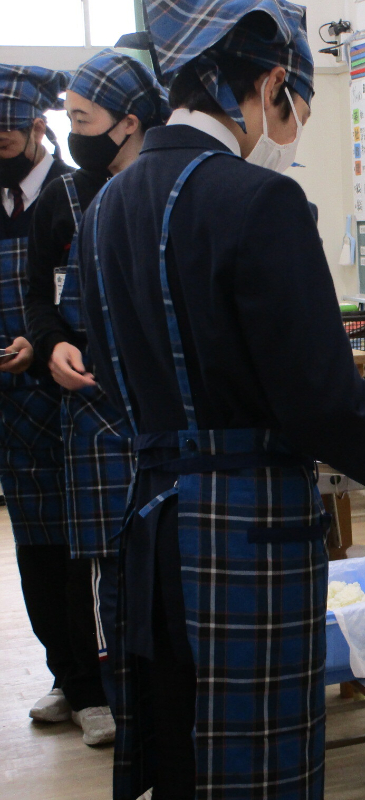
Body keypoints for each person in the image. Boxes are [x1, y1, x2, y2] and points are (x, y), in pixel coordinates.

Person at [78, 0, 365, 797]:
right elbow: (316, 395)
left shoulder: (105, 207)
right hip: (245, 533)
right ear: (272, 78)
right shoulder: (260, 200)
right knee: (256, 769)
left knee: (177, 751)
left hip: (147, 527)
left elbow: (105, 369)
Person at [24, 49, 171, 736]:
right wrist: (52, 344)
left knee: (168, 564)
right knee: (112, 571)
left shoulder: (174, 188)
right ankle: (123, 701)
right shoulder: (67, 197)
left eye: (82, 119)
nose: (72, 132)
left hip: (165, 409)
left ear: (127, 123)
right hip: (91, 410)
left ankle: (175, 705)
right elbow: (37, 299)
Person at [0, 64, 115, 739]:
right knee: (35, 551)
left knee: (84, 550)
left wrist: (39, 344)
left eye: (8, 135)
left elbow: (57, 295)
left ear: (37, 129)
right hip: (11, 409)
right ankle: (64, 673)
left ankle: (94, 682)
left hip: (70, 395)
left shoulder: (75, 196)